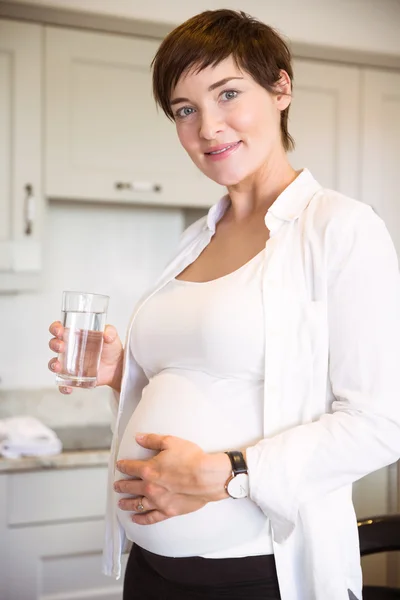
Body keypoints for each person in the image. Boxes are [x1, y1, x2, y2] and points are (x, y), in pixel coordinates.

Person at [48, 9, 400, 600]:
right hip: (152, 569)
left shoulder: (339, 227)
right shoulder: (196, 237)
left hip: (258, 574)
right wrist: (121, 375)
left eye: (228, 94)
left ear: (281, 88)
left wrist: (230, 474)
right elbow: (209, 380)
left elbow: (381, 423)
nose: (208, 127)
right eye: (185, 110)